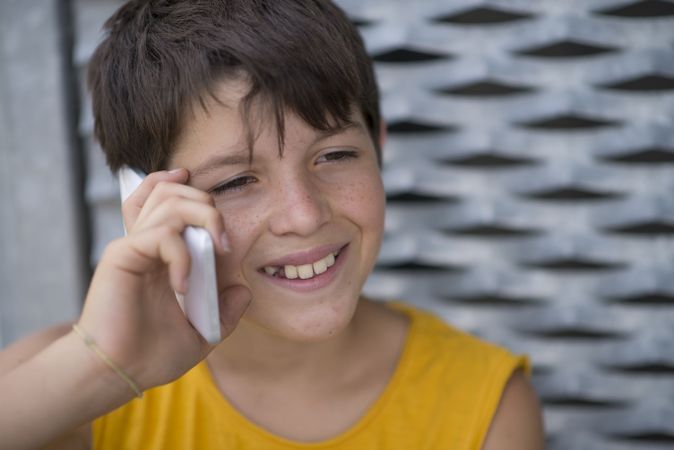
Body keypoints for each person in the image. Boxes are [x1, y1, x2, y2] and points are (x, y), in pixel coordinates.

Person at [0, 0, 545, 449]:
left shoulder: (485, 405)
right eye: (235, 181)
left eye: (333, 156)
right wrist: (103, 370)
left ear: (377, 148)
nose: (304, 215)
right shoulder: (66, 391)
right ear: (145, 201)